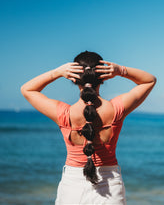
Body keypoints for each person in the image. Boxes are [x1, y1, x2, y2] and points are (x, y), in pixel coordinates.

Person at [21, 51, 156, 204]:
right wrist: (120, 70)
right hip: (110, 186)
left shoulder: (64, 114)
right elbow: (149, 80)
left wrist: (57, 73)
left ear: (73, 78)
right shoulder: (116, 109)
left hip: (72, 188)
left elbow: (27, 89)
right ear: (103, 78)